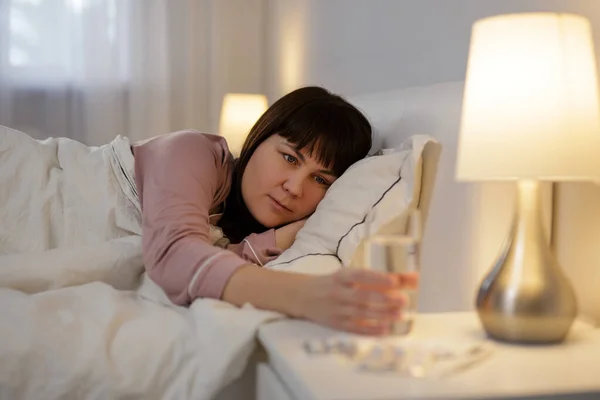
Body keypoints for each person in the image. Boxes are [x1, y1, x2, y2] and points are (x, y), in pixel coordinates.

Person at [133, 86, 412, 336]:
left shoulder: (252, 231)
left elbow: (194, 261)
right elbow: (173, 253)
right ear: (259, 135)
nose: (294, 188)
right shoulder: (190, 151)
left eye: (320, 180)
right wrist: (306, 296)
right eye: (290, 158)